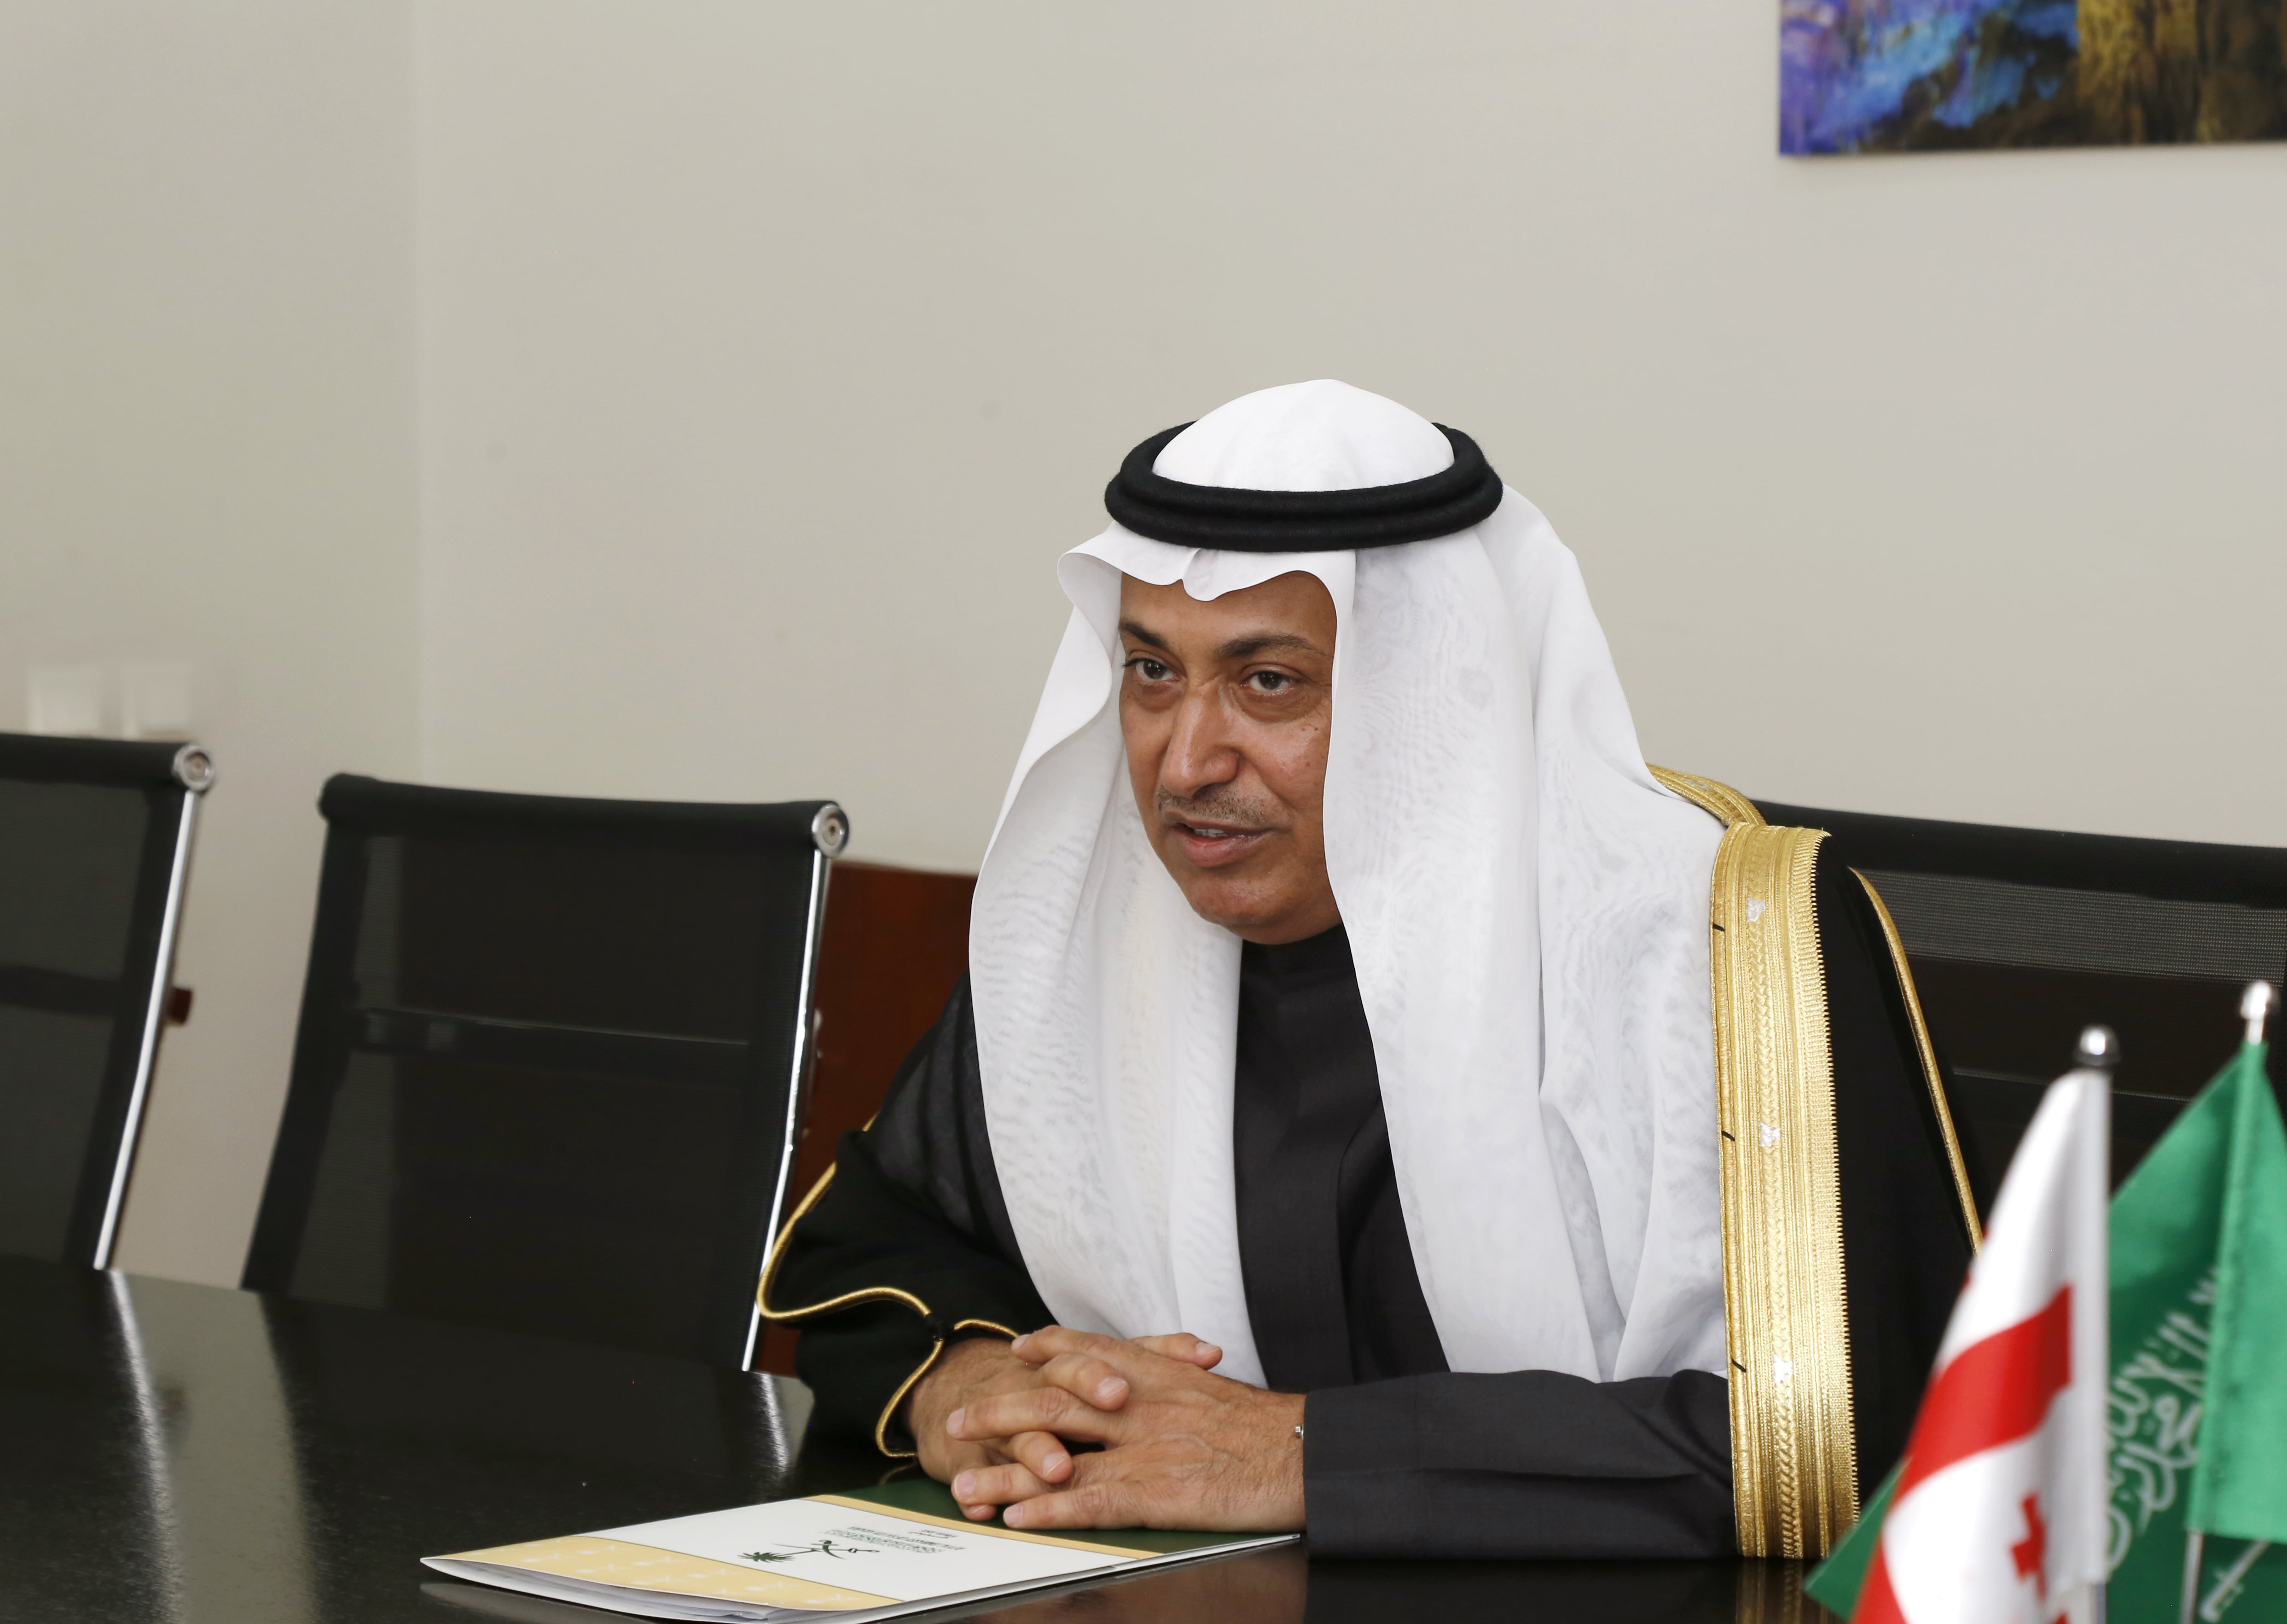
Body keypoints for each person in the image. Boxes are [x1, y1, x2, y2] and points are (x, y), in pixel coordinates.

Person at [760, 380, 1981, 1560]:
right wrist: (969, 1382)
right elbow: (867, 1250)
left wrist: (1300, 1455)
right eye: (1152, 672)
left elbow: (1845, 1441)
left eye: (1269, 682)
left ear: (1436, 696)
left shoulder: (1715, 942)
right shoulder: (1090, 927)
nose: (1186, 763)